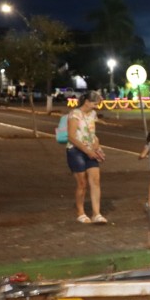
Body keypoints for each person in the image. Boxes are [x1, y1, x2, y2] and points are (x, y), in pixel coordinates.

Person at [66, 91, 107, 224]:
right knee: (82, 183)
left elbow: (92, 133)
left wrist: (97, 145)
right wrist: (87, 151)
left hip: (91, 151)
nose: (96, 106)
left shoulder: (93, 114)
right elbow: (71, 137)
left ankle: (96, 213)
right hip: (76, 151)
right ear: (87, 102)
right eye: (95, 103)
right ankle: (81, 213)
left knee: (95, 181)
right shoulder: (74, 114)